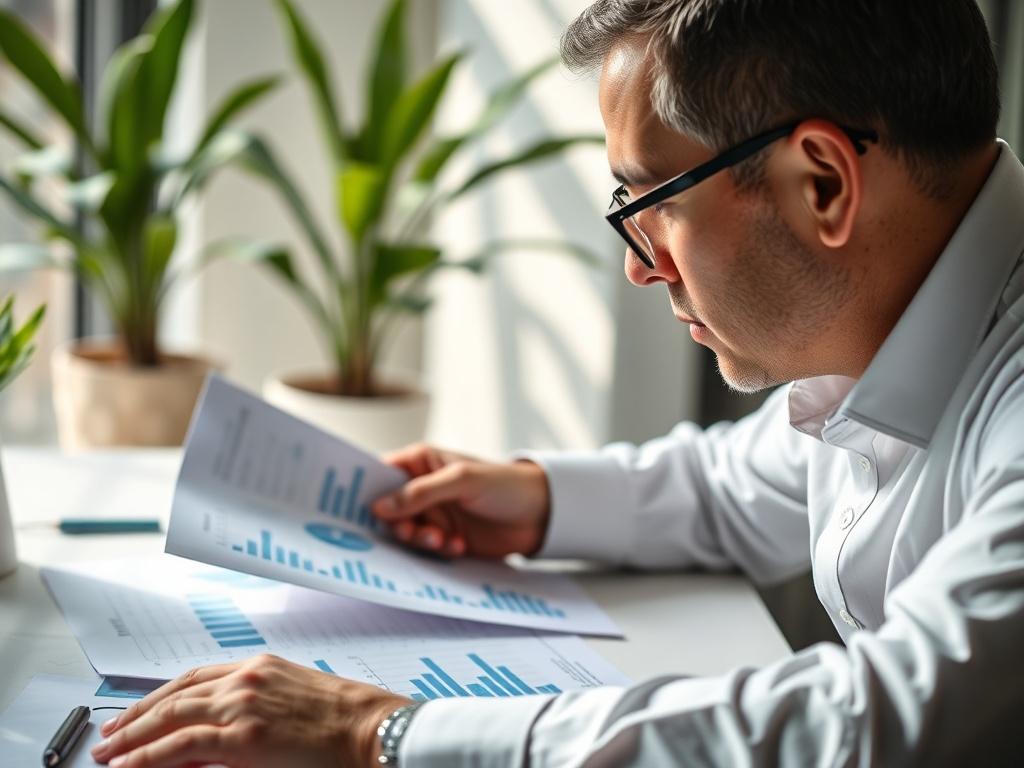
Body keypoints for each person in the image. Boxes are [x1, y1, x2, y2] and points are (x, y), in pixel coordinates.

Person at [90, 0, 1024, 765]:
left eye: (652, 204)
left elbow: (884, 723)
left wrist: (376, 731)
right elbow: (736, 486)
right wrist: (532, 499)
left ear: (821, 182)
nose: (641, 267)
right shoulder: (898, 333)